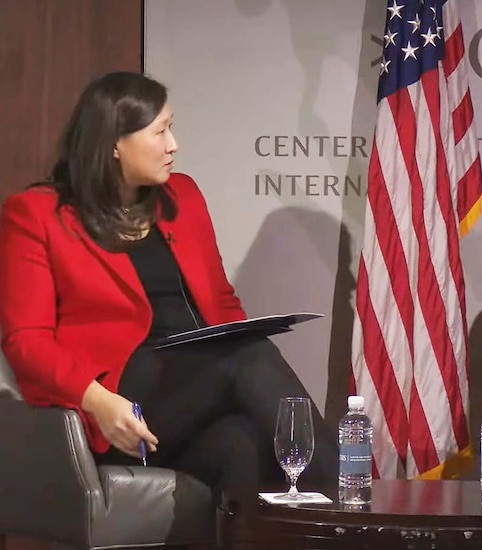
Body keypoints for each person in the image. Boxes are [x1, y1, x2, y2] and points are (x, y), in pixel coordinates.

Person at [0, 71, 338, 498]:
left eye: (170, 127)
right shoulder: (36, 215)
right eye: (160, 131)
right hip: (119, 406)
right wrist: (99, 401)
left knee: (240, 445)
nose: (173, 144)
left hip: (198, 393)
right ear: (114, 145)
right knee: (244, 354)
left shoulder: (184, 195)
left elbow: (221, 303)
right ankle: (355, 504)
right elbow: (25, 341)